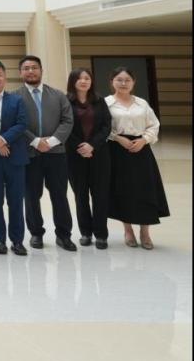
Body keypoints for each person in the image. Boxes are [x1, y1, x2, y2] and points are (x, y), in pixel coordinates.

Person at [15, 55, 76, 251]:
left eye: (34, 67)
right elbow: (15, 123)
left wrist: (49, 142)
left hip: (56, 153)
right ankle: (36, 233)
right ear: (20, 73)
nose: (30, 71)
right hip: (28, 154)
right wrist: (35, 141)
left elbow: (67, 121)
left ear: (41, 70)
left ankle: (64, 235)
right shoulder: (14, 97)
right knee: (31, 196)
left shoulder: (58, 95)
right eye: (26, 68)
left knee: (59, 195)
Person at [106, 66, 169, 249]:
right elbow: (101, 127)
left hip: (141, 150)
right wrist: (118, 138)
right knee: (123, 190)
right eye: (119, 80)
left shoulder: (142, 103)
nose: (123, 83)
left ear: (133, 82)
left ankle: (145, 232)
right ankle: (128, 230)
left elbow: (154, 125)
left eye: (127, 80)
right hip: (117, 151)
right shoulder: (106, 103)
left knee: (145, 189)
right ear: (112, 82)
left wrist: (144, 140)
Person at [0, 59, 29, 256]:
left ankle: (17, 241)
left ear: (5, 77)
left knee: (16, 201)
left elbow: (22, 124)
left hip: (15, 158)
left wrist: (4, 139)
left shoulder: (17, 100)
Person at [65, 67, 112, 249]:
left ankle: (101, 234)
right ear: (73, 81)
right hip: (74, 155)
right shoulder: (65, 101)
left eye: (87, 78)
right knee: (81, 195)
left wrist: (92, 145)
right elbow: (63, 126)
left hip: (99, 154)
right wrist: (80, 146)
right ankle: (85, 233)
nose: (84, 81)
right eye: (80, 78)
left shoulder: (100, 101)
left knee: (100, 195)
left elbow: (106, 126)